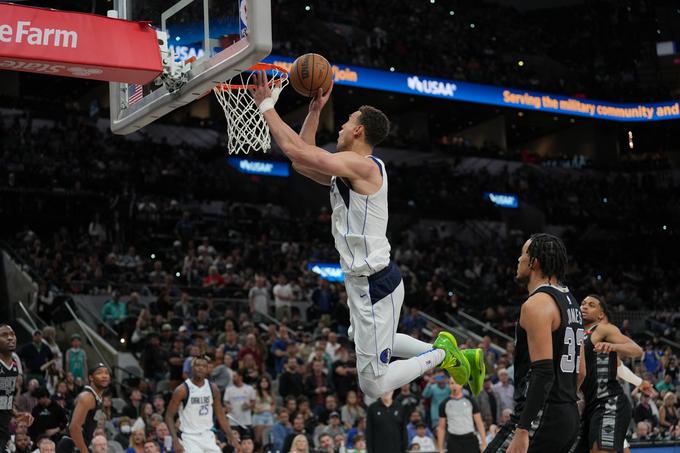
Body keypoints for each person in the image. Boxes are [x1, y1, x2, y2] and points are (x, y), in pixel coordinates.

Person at [249, 72, 484, 399]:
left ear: (358, 130)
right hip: (367, 281)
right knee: (361, 338)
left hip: (374, 283)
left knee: (372, 383)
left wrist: (267, 107)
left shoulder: (366, 166)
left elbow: (298, 153)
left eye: (346, 121)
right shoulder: (348, 170)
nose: (342, 126)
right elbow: (302, 162)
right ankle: (447, 349)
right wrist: (314, 111)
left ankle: (445, 354)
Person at [484, 234, 584, 453]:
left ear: (534, 262)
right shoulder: (572, 304)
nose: (518, 259)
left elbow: (544, 372)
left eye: (523, 254)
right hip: (568, 414)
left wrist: (522, 430)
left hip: (540, 416)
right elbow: (581, 371)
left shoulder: (536, 304)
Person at [576, 295, 644, 453]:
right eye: (583, 303)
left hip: (609, 402)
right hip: (589, 407)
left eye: (591, 305)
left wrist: (613, 347)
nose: (585, 307)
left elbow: (637, 350)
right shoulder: (575, 333)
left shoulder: (602, 328)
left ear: (600, 315)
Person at [165, 355, 240, 453]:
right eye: (197, 365)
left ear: (208, 369)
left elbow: (220, 415)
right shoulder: (182, 390)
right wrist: (175, 440)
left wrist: (231, 436)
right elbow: (169, 416)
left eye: (204, 366)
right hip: (189, 438)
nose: (200, 368)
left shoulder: (213, 388)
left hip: (208, 435)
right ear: (192, 368)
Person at [56, 363, 110, 453]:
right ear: (91, 378)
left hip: (78, 445)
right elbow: (74, 427)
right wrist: (84, 451)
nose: (104, 376)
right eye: (99, 373)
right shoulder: (87, 397)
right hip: (71, 446)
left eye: (106, 373)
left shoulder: (97, 397)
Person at [0, 325, 34, 453]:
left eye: (12, 334)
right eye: (4, 335)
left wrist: (17, 414)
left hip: (3, 427)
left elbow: (5, 399)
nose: (10, 338)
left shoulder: (13, 367)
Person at [438, 378, 487, 453]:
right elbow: (441, 427)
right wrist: (440, 448)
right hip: (453, 441)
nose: (454, 386)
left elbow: (479, 423)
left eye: (456, 383)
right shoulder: (444, 403)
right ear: (449, 386)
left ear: (461, 385)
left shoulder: (470, 401)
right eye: (451, 383)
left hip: (470, 440)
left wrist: (484, 443)